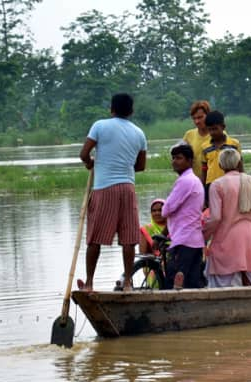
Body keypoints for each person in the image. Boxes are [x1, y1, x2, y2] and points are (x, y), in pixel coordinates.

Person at [79, 93, 147, 292]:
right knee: (129, 237)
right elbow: (141, 166)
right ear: (131, 111)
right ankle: (127, 283)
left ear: (111, 109)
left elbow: (83, 154)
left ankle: (90, 283)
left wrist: (91, 163)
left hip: (104, 188)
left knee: (94, 237)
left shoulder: (99, 126)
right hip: (127, 187)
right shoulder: (139, 133)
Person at [203, 148, 251, 288]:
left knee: (223, 286)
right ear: (239, 162)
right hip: (250, 240)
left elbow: (215, 218)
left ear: (220, 165)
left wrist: (203, 236)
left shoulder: (217, 185)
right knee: (248, 285)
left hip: (226, 241)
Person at [161, 143, 206, 289]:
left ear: (189, 161)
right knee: (192, 283)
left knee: (173, 283)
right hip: (193, 239)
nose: (174, 161)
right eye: (173, 158)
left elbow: (166, 209)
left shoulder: (185, 181)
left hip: (184, 239)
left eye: (179, 158)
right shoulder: (195, 180)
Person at [201, 110, 241, 198]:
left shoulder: (234, 144)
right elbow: (204, 170)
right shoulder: (205, 147)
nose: (212, 133)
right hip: (211, 185)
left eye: (215, 129)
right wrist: (203, 192)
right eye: (210, 130)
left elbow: (240, 167)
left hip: (230, 184)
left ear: (223, 127)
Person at [182, 100, 212, 183]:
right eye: (194, 118)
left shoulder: (218, 135)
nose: (197, 121)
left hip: (213, 183)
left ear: (208, 115)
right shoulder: (189, 135)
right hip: (194, 183)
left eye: (200, 117)